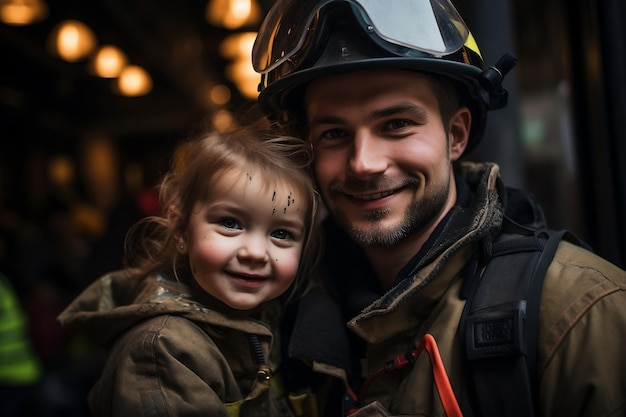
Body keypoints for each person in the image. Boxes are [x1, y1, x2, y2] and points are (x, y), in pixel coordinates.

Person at [251, 0, 626, 416]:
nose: (363, 163)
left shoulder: (581, 313)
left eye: (396, 124)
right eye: (335, 133)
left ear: (456, 135)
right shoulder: (275, 314)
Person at [57, 126, 322, 417]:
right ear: (181, 228)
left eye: (282, 233)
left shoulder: (265, 318)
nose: (256, 253)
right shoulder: (161, 352)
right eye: (231, 223)